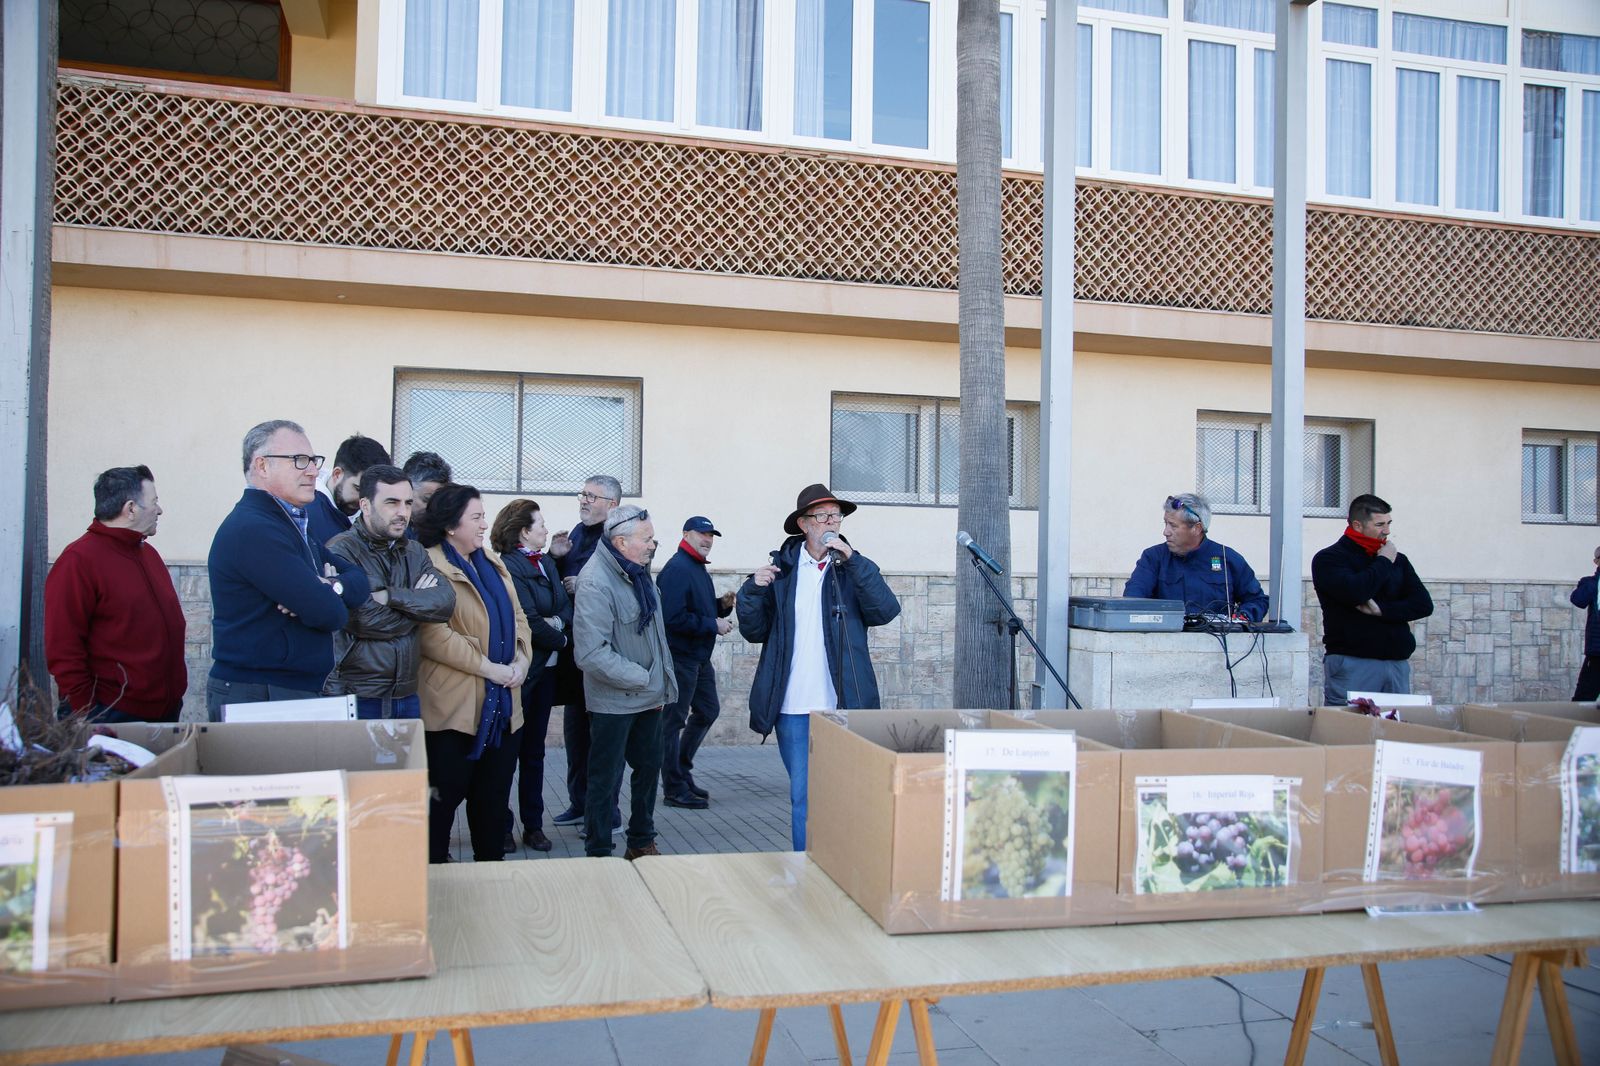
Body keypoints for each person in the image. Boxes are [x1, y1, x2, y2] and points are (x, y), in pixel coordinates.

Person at [737, 484, 901, 850]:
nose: (832, 522)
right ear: (803, 524)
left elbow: (886, 611)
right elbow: (754, 630)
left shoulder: (852, 568)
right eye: (823, 516)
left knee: (848, 796)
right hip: (793, 706)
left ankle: (844, 867)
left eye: (836, 516)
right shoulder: (781, 571)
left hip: (843, 707)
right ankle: (805, 869)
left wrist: (854, 561)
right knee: (804, 797)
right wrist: (751, 591)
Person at [207, 420, 371, 721]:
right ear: (262, 466)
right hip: (258, 693)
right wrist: (323, 596)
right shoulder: (255, 529)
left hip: (284, 689)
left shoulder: (293, 526)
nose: (312, 470)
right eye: (299, 460)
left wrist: (329, 586)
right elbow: (330, 614)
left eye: (312, 460)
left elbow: (361, 582)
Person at [415, 484, 531, 864]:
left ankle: (491, 884)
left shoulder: (493, 564)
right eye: (477, 517)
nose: (485, 524)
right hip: (453, 714)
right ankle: (435, 888)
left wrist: (519, 664)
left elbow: (519, 620)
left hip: (502, 711)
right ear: (450, 525)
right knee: (440, 810)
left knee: (492, 809)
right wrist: (490, 668)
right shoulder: (429, 566)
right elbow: (433, 635)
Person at [572, 505, 676, 860]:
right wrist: (643, 677)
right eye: (647, 539)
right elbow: (590, 654)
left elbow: (655, 635)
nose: (653, 545)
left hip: (648, 698)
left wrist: (657, 683)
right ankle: (599, 852)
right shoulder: (595, 581)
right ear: (620, 542)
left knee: (648, 771)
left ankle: (641, 842)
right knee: (605, 780)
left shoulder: (638, 572)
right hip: (614, 702)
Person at [45, 465, 186, 723]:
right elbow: (63, 649)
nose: (160, 509)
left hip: (162, 712)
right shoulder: (78, 561)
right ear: (131, 508)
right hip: (110, 716)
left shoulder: (148, 554)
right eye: (154, 502)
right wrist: (86, 712)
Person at [322, 465, 455, 720]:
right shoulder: (340, 550)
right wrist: (417, 606)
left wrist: (389, 596)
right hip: (357, 696)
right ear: (366, 505)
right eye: (391, 503)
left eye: (407, 503)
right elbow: (364, 619)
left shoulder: (414, 551)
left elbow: (445, 603)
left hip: (405, 694)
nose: (402, 512)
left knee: (409, 762)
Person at [491, 499, 572, 852]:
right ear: (524, 530)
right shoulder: (508, 566)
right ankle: (501, 826)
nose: (545, 528)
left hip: (548, 675)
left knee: (535, 755)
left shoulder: (547, 564)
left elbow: (563, 607)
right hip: (523, 674)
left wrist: (559, 626)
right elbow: (530, 620)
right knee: (507, 756)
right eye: (539, 523)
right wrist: (561, 635)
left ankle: (534, 825)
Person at [546, 474, 625, 834]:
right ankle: (580, 804)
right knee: (577, 738)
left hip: (603, 655)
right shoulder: (576, 534)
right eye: (583, 494)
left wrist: (587, 585)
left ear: (612, 505)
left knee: (603, 742)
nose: (584, 501)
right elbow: (559, 584)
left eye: (593, 496)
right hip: (575, 658)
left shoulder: (619, 539)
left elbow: (629, 588)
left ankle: (607, 814)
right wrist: (555, 558)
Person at [1311, 494, 1434, 706]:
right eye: (1379, 524)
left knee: (1396, 731)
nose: (1386, 531)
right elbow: (1356, 592)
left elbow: (1423, 604)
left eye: (1388, 523)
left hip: (1396, 664)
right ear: (1358, 525)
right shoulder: (1330, 559)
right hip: (1353, 663)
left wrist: (1383, 609)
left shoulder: (1398, 560)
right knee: (1349, 733)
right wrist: (1384, 560)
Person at [656, 515, 734, 809]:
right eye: (702, 534)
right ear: (686, 534)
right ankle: (674, 787)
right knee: (673, 722)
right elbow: (672, 618)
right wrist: (713, 624)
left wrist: (720, 607)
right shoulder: (678, 569)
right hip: (680, 658)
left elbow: (696, 610)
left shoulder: (696, 568)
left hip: (698, 658)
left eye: (711, 535)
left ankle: (681, 770)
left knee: (708, 710)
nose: (708, 540)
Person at [1123, 493, 1269, 622]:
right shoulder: (1153, 558)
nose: (1165, 532)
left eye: (1173, 526)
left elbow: (1257, 600)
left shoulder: (1227, 558)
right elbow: (1132, 601)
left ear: (1196, 528)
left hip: (1217, 645)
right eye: (1165, 523)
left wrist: (1242, 617)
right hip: (1165, 643)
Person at [309, 434, 390, 548]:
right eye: (358, 489)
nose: (363, 501)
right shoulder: (309, 512)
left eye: (371, 493)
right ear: (337, 475)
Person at [1571, 546, 1600, 702]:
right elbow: (1578, 600)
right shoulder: (1592, 583)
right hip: (1597, 654)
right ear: (1596, 561)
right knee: (1584, 699)